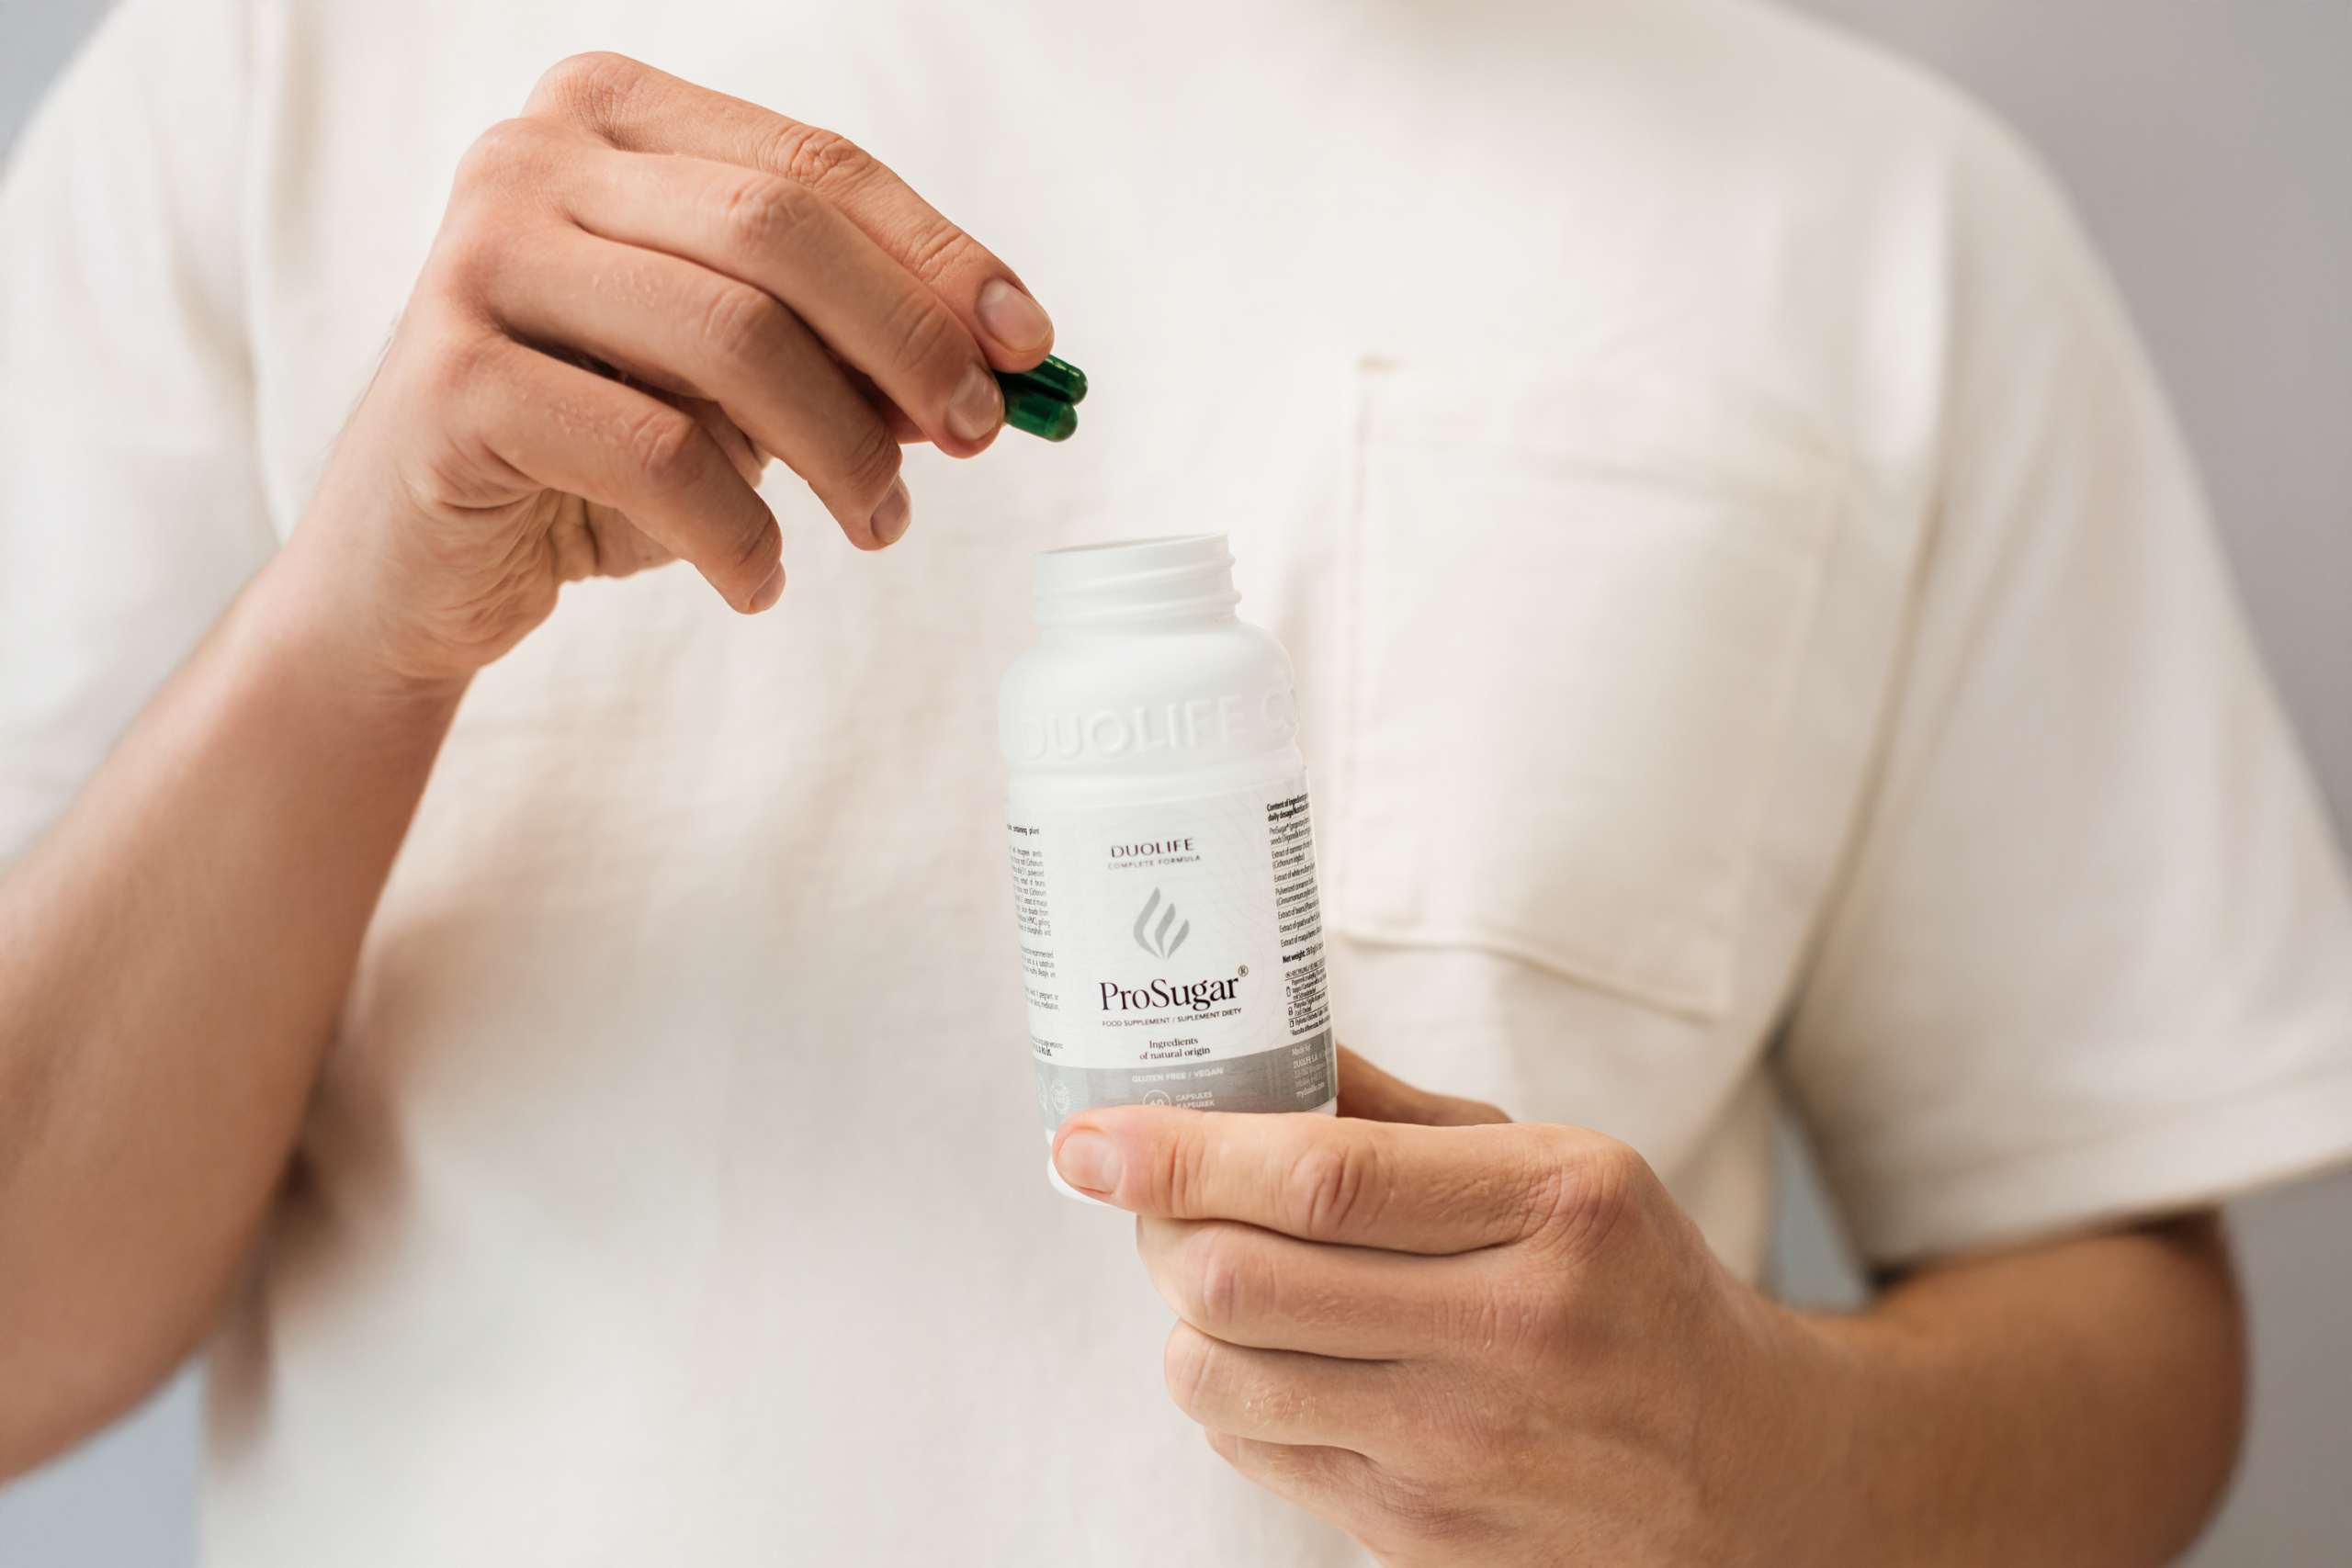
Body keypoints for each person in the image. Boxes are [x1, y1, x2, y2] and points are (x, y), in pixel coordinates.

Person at [3, 0, 2348, 1562]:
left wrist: (1750, 1457)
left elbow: (2133, 1331)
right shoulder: (273, 74)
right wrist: (353, 625)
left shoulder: (1885, 219)